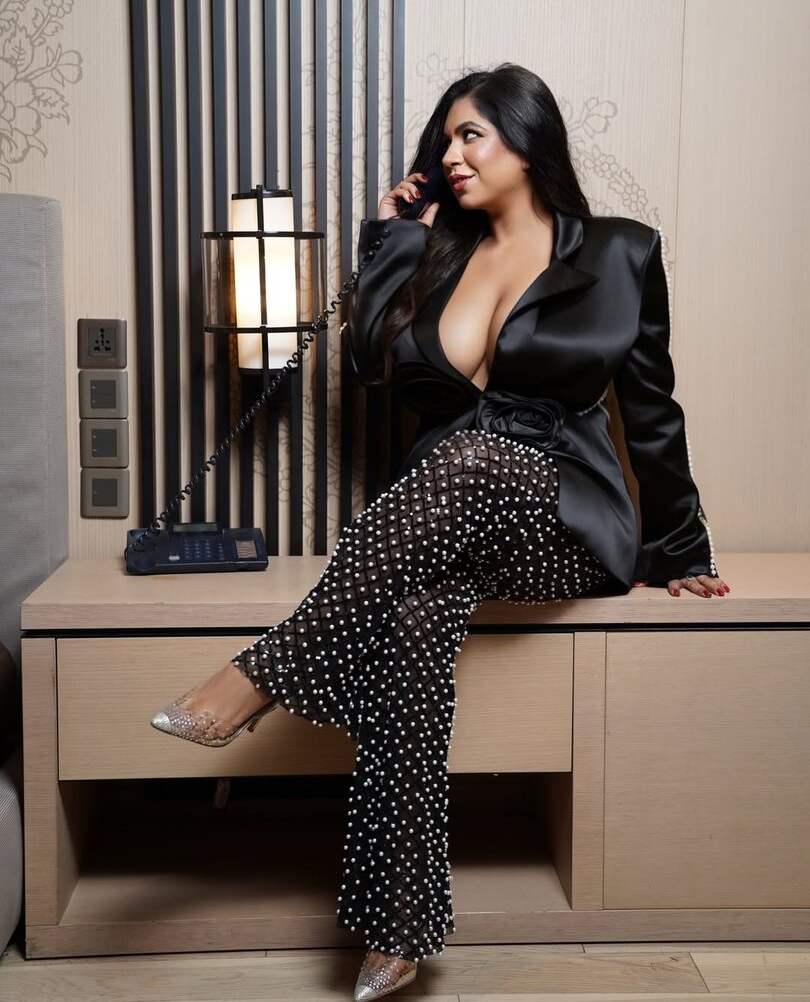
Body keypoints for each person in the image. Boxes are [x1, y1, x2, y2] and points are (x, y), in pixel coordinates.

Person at [150, 62, 729, 1001]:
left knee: (466, 458)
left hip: (563, 517)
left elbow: (651, 412)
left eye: (472, 136)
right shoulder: (439, 257)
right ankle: (398, 930)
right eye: (446, 140)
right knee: (415, 617)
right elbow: (371, 367)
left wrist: (683, 548)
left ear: (527, 140)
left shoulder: (620, 251)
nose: (452, 156)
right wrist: (394, 241)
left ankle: (261, 675)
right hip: (447, 522)